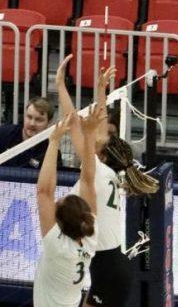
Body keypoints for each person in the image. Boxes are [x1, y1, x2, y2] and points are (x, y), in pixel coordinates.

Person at [57, 54, 158, 307]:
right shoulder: (111, 171)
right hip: (112, 268)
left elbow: (74, 126)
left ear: (101, 154)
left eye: (101, 142)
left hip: (109, 273)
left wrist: (60, 84)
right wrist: (101, 90)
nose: (98, 137)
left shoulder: (98, 171)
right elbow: (99, 124)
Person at [34, 105, 102, 307]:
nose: (56, 200)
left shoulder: (60, 247)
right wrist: (89, 135)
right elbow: (88, 180)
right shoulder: (89, 236)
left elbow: (44, 191)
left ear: (60, 224)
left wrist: (54, 142)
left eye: (58, 203)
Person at [0, 97, 61, 169]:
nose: (32, 123)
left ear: (49, 122)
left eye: (39, 120)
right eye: (29, 117)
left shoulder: (51, 151)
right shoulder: (2, 134)